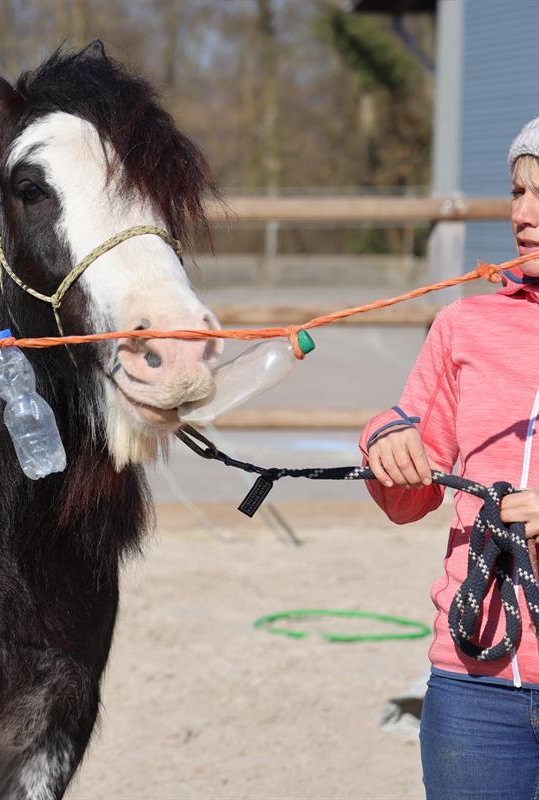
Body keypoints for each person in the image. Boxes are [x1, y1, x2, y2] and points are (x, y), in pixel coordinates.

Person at [362, 115, 539, 799]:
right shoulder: (464, 326)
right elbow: (409, 499)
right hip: (474, 684)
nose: (523, 214)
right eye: (517, 192)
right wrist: (387, 442)